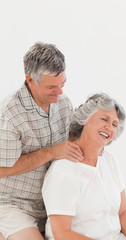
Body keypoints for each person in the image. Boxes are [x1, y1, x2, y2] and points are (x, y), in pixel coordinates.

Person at [42, 93, 126, 240]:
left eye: (114, 124)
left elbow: (124, 212)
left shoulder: (109, 161)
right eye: (104, 119)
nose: (109, 127)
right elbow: (62, 234)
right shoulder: (63, 171)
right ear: (85, 120)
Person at [0, 42, 83, 240]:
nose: (60, 92)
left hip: (54, 201)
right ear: (30, 79)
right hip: (14, 204)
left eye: (62, 84)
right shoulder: (10, 113)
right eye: (52, 87)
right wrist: (50, 152)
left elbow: (72, 141)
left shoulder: (63, 103)